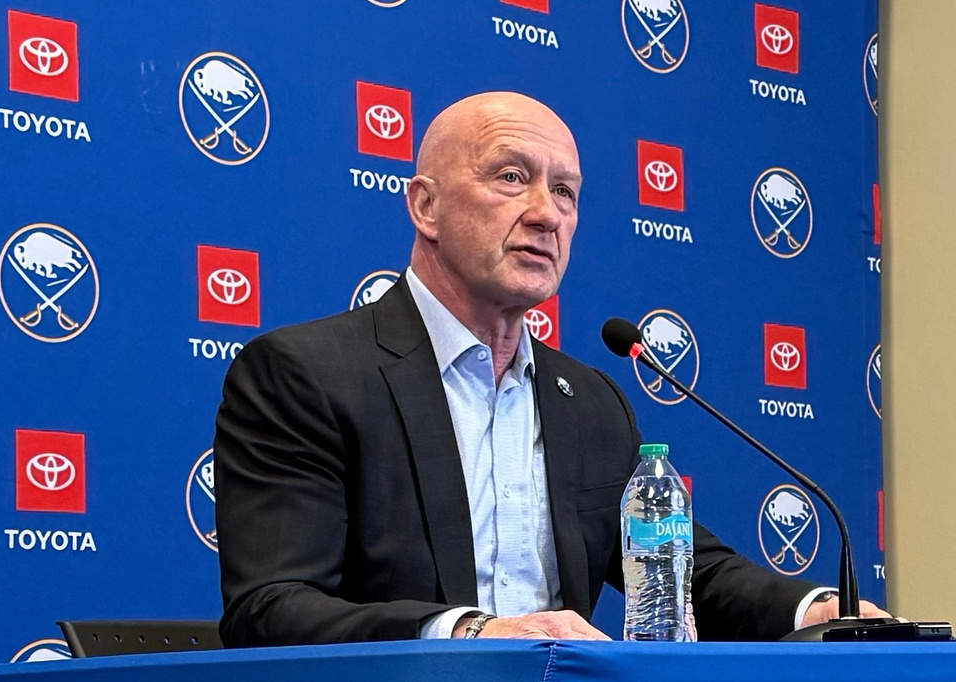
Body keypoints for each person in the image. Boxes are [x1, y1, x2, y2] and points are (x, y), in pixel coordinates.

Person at [213, 92, 890, 646]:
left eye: (565, 191)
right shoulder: (305, 374)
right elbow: (271, 608)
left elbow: (688, 577)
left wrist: (820, 611)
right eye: (511, 177)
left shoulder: (590, 402)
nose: (546, 213)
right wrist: (477, 634)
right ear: (425, 206)